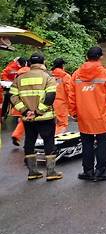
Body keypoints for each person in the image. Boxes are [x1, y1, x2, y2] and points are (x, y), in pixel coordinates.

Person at [68, 46, 106, 182]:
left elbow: (71, 96)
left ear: (86, 57)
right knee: (102, 143)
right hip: (101, 116)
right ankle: (101, 171)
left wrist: (73, 112)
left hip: (83, 115)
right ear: (100, 57)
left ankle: (88, 171)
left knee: (87, 143)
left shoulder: (76, 74)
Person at [9, 52, 61, 181]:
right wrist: (38, 111)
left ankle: (32, 172)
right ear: (43, 63)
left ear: (30, 64)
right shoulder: (48, 77)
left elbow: (12, 96)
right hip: (45, 117)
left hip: (28, 118)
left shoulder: (19, 78)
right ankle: (51, 172)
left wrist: (26, 111)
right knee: (49, 142)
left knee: (29, 142)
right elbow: (50, 97)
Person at [9, 61, 31, 146]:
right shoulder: (32, 73)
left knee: (24, 119)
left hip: (18, 100)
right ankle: (29, 144)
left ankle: (16, 135)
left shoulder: (19, 73)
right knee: (31, 120)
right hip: (28, 99)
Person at [50, 58, 72, 135]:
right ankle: (56, 139)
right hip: (61, 104)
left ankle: (49, 139)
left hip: (48, 103)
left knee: (51, 124)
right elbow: (70, 91)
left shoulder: (49, 75)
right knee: (62, 124)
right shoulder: (65, 76)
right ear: (62, 66)